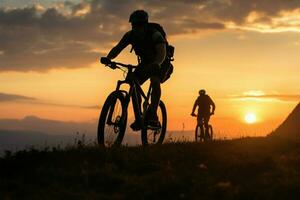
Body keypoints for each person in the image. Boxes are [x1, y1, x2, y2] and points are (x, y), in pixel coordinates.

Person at [104, 10, 167, 131]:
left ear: (145, 24)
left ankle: (153, 113)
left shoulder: (155, 34)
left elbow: (162, 52)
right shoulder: (129, 35)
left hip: (161, 61)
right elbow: (118, 48)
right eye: (133, 25)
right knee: (132, 80)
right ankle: (139, 117)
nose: (136, 27)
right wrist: (108, 58)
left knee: (155, 80)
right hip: (145, 63)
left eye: (139, 25)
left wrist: (157, 63)